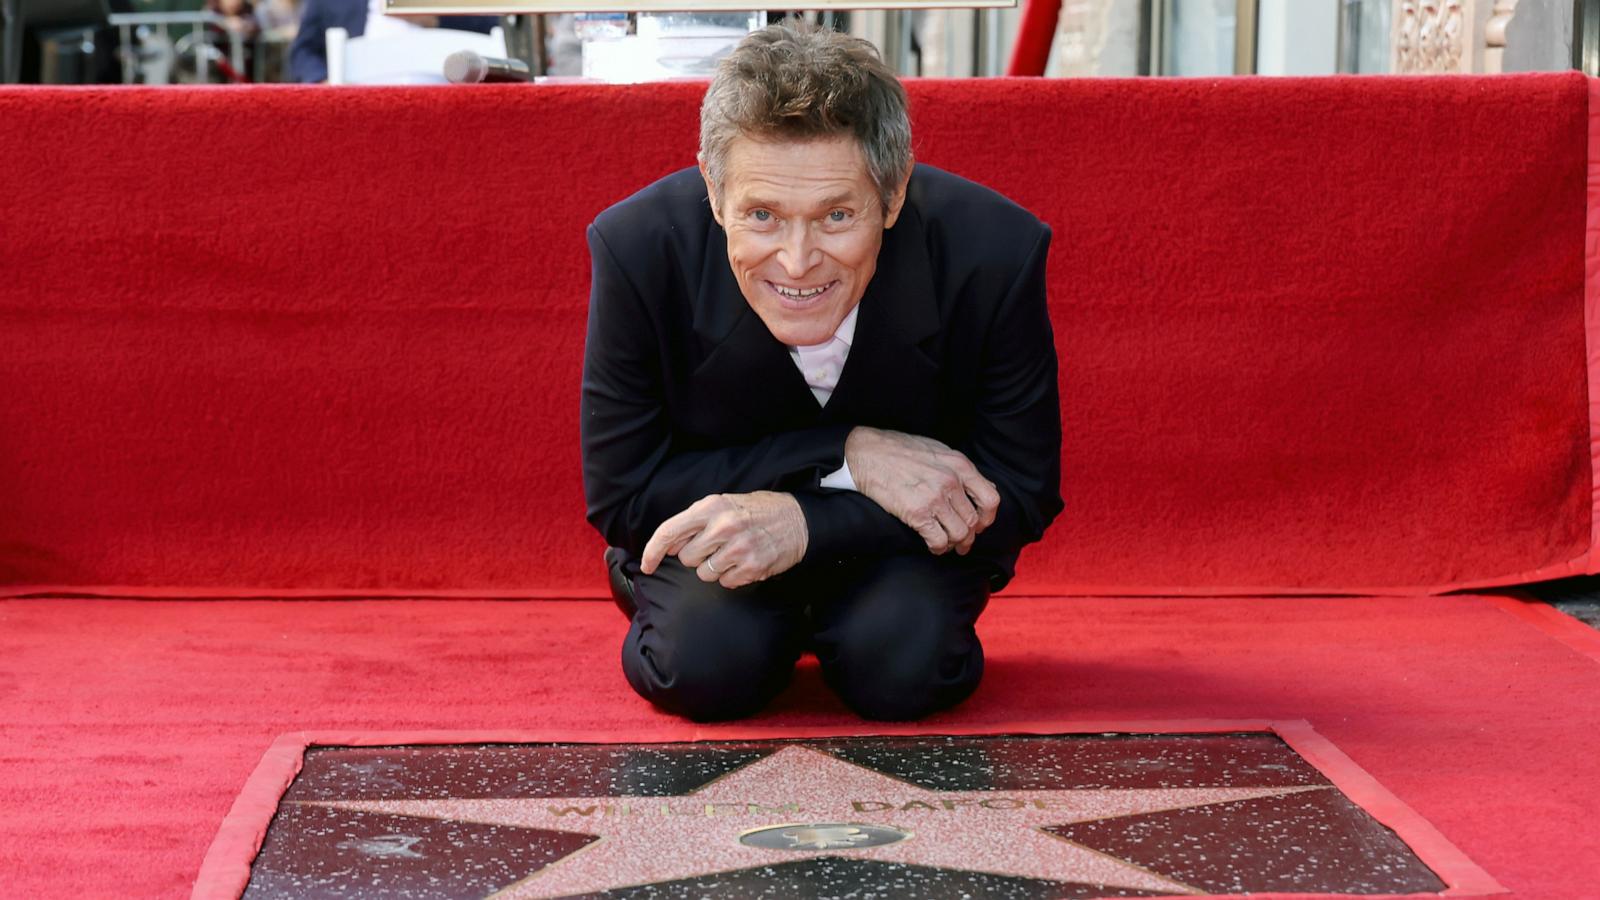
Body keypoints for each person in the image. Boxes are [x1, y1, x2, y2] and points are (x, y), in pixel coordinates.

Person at [581, 21, 1062, 722]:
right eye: (762, 216)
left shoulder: (995, 251)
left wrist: (807, 522)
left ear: (893, 194)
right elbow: (622, 494)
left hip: (896, 551)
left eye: (837, 215)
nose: (798, 261)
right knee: (703, 666)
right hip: (719, 541)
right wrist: (845, 455)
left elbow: (1021, 493)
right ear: (714, 193)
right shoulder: (637, 247)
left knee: (907, 668)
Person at [287, 0, 496, 83]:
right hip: (360, 108)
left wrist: (435, 19)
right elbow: (303, 52)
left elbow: (497, 27)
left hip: (450, 104)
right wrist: (323, 82)